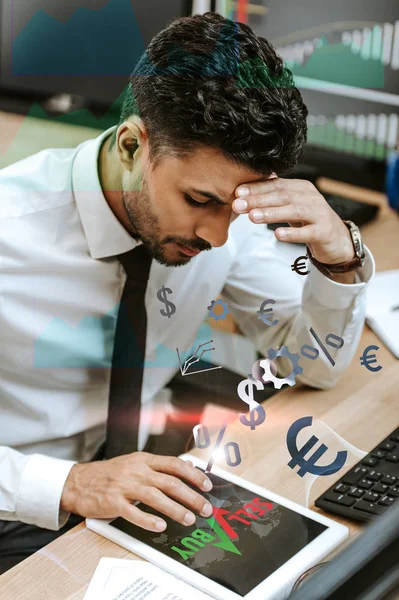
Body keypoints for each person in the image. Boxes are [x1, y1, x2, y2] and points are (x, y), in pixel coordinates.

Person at [0, 12, 374, 572]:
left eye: (236, 207)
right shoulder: (10, 232)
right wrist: (70, 483)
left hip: (146, 475)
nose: (219, 235)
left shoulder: (227, 218)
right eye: (199, 200)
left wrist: (338, 259)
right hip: (21, 504)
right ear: (132, 145)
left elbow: (313, 366)